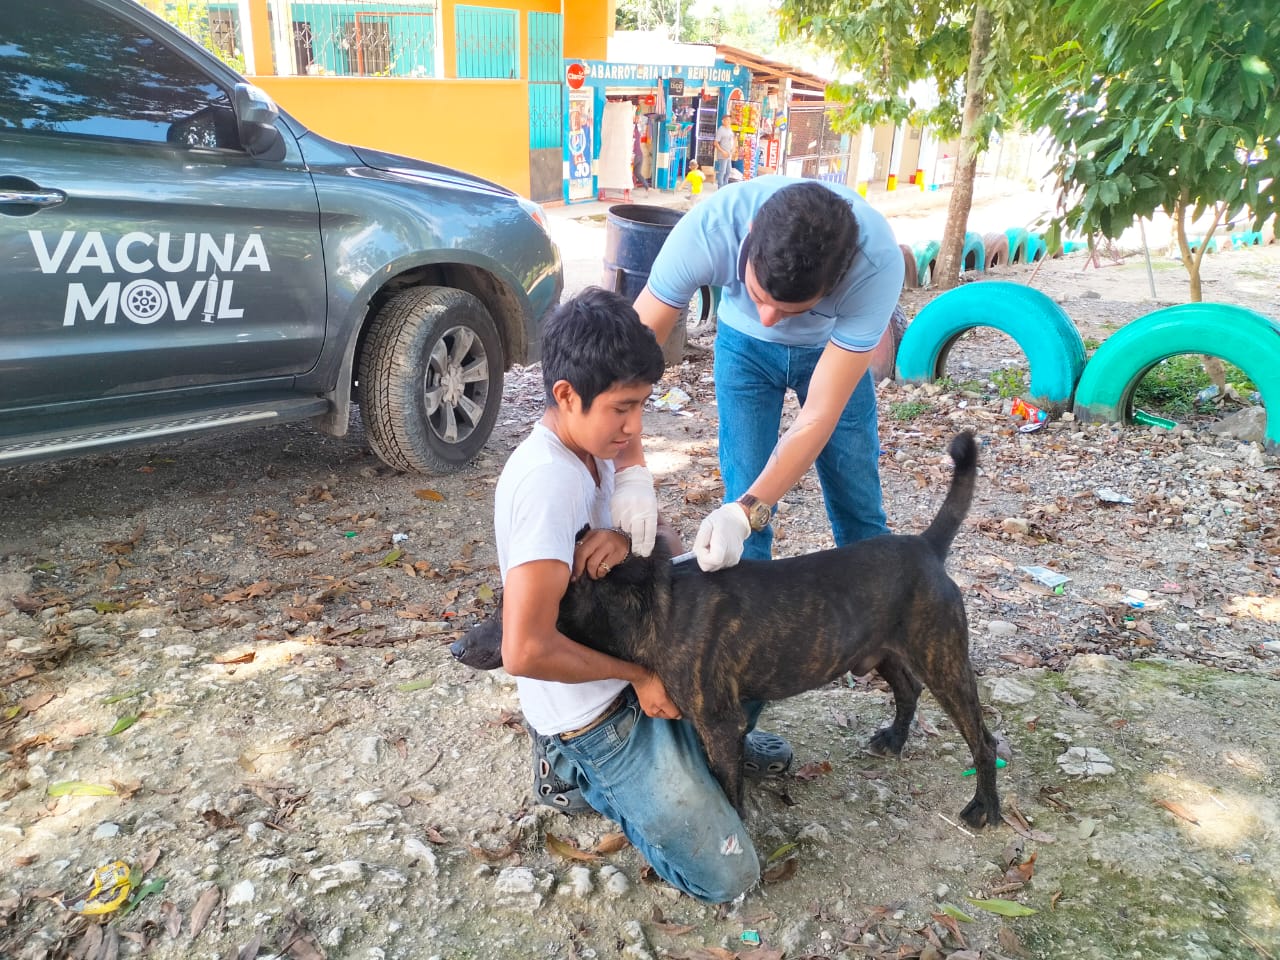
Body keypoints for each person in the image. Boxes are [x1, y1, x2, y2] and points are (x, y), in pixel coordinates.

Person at [495, 287, 763, 903]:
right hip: (595, 714)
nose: (636, 427)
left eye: (642, 405)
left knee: (762, 651)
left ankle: (686, 745)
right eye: (623, 408)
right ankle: (571, 770)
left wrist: (626, 534)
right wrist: (643, 679)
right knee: (729, 875)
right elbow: (524, 650)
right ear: (567, 395)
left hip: (637, 658)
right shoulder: (548, 486)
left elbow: (664, 544)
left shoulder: (598, 448)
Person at [610, 174, 904, 575]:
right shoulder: (710, 230)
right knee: (745, 489)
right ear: (750, 235)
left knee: (858, 497)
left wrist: (744, 513)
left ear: (837, 281)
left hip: (830, 350)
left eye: (789, 310)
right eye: (758, 295)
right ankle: (748, 609)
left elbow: (818, 417)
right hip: (742, 348)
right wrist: (630, 469)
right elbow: (626, 367)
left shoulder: (875, 264)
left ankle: (878, 601)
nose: (768, 319)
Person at [713, 114, 735, 188]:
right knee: (722, 171)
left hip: (729, 154)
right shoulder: (721, 130)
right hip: (723, 154)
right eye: (727, 120)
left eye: (729, 120)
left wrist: (733, 148)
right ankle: (720, 186)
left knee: (728, 171)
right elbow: (715, 143)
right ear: (723, 121)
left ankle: (725, 186)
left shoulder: (729, 129)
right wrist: (723, 152)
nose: (729, 121)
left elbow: (732, 139)